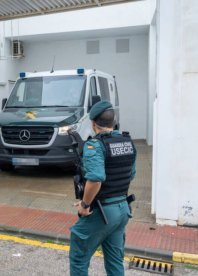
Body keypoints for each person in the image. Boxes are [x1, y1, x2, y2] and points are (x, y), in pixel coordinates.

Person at [69, 101, 137, 276]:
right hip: (122, 209)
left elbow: (95, 180)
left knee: (79, 258)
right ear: (112, 123)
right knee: (115, 261)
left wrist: (84, 205)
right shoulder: (128, 142)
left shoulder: (94, 146)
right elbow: (131, 174)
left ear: (93, 123)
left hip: (102, 212)